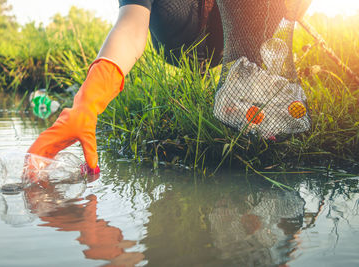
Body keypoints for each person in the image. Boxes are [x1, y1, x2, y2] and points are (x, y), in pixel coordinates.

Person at [27, 0, 311, 175]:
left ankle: (244, 92)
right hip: (178, 36)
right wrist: (86, 104)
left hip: (232, 37)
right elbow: (130, 26)